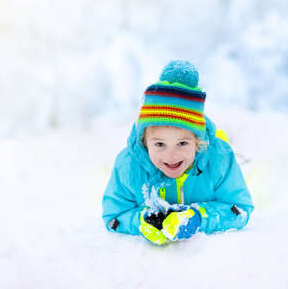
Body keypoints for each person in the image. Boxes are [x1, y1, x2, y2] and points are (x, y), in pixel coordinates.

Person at [102, 60, 254, 245]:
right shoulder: (128, 166)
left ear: (198, 141)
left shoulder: (219, 160)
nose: (171, 156)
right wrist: (142, 221)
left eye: (182, 143)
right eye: (159, 144)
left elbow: (239, 209)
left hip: (212, 159)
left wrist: (200, 217)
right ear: (144, 142)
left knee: (238, 163)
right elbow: (114, 217)